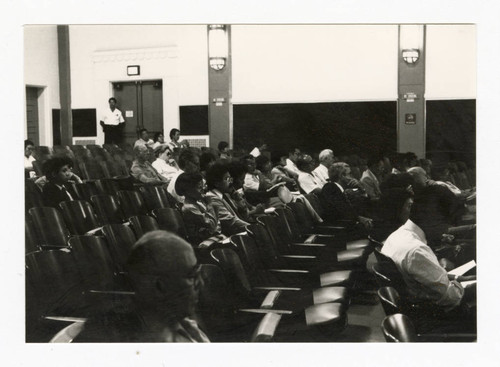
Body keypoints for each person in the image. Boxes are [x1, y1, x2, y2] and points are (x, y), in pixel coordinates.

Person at [77, 230, 209, 342]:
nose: (201, 284)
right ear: (160, 286)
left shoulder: (190, 330)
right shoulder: (110, 343)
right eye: (192, 276)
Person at [381, 186, 476, 311]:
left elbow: (425, 278)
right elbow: (451, 297)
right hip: (434, 314)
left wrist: (457, 278)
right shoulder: (417, 251)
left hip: (417, 302)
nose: (446, 229)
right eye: (445, 222)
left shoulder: (396, 236)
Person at [319, 163, 373, 230]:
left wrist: (362, 189)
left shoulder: (342, 190)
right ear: (342, 176)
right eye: (350, 174)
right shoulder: (330, 188)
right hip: (339, 227)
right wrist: (359, 218)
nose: (352, 177)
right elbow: (341, 211)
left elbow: (366, 205)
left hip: (349, 223)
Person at [176, 172, 223, 245]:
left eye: (202, 186)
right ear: (187, 191)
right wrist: (209, 204)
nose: (203, 190)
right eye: (199, 187)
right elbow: (212, 225)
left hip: (212, 237)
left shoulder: (198, 203)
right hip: (202, 242)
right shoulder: (189, 208)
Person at [205, 163, 250, 236]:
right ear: (217, 183)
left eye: (230, 178)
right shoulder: (212, 198)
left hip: (240, 231)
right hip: (228, 236)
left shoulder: (226, 194)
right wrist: (252, 227)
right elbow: (231, 221)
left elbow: (244, 217)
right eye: (227, 179)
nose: (231, 182)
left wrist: (240, 203)